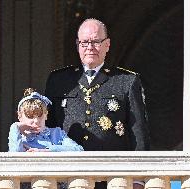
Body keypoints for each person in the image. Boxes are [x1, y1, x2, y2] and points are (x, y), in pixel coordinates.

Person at [45, 18, 149, 189]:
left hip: (112, 176)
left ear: (107, 44)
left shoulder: (126, 81)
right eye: (85, 42)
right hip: (67, 173)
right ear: (78, 45)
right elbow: (48, 127)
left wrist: (138, 178)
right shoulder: (58, 80)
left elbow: (138, 132)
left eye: (95, 41)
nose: (90, 47)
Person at [8, 88, 84, 152]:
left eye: (40, 116)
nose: (36, 121)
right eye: (30, 116)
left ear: (46, 115)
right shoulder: (19, 136)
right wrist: (15, 127)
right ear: (20, 116)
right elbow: (15, 155)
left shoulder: (57, 134)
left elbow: (78, 149)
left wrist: (47, 150)